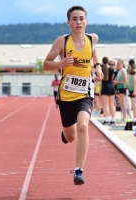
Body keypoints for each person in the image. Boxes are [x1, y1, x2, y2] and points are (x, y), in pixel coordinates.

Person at [43, 5, 103, 185]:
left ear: (87, 21)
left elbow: (94, 53)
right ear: (68, 22)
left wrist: (98, 66)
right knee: (71, 137)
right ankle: (66, 132)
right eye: (75, 19)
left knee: (83, 126)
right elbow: (46, 64)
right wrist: (61, 63)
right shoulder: (62, 42)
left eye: (81, 18)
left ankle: (78, 171)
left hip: (85, 92)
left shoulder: (93, 39)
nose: (78, 22)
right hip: (66, 95)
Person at [101, 57, 116, 125]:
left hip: (105, 87)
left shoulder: (102, 69)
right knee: (112, 104)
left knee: (106, 104)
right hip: (111, 86)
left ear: (102, 62)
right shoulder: (112, 69)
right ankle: (113, 119)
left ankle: (107, 119)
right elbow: (112, 78)